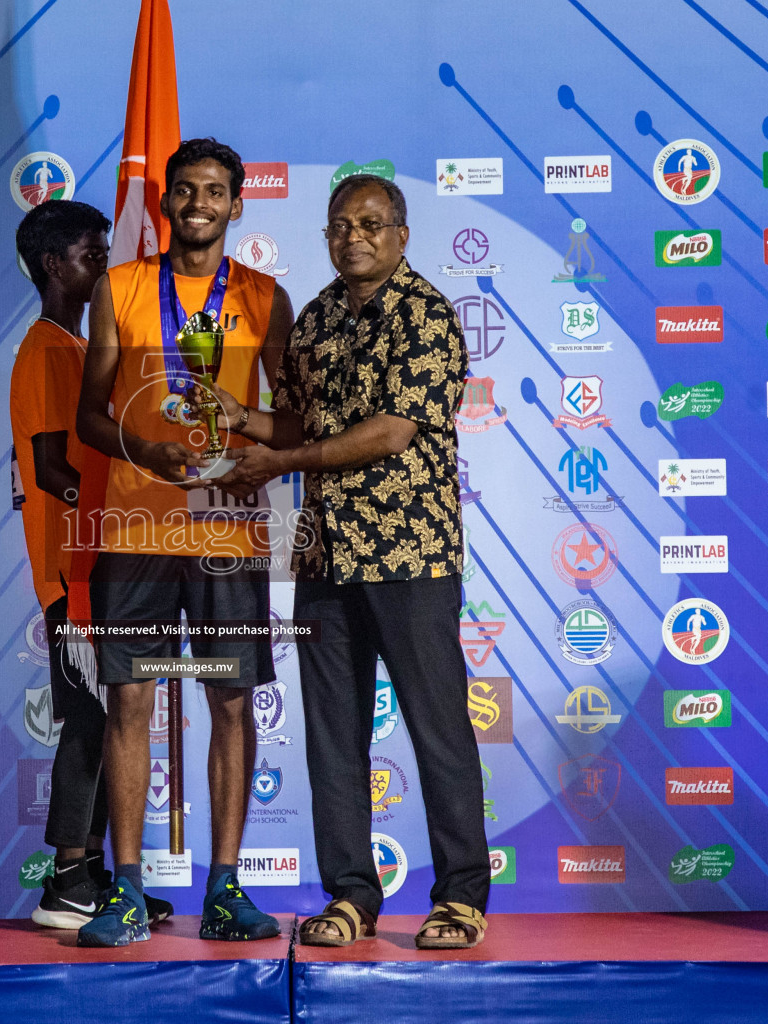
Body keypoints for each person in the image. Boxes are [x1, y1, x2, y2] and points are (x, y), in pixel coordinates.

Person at [203, 175, 489, 949]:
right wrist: (246, 421)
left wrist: (282, 458)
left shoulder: (426, 315)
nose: (353, 235)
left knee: (439, 731)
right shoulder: (319, 315)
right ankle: (352, 897)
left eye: (370, 222)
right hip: (327, 553)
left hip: (412, 555)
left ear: (400, 233)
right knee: (333, 734)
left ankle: (459, 897)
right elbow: (299, 414)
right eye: (339, 224)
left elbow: (390, 432)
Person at [74, 138, 293, 947]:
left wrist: (243, 435)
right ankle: (126, 890)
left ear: (237, 205)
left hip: (226, 533)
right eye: (184, 190)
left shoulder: (267, 298)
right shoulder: (120, 288)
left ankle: (226, 888)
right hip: (136, 527)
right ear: (164, 202)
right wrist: (148, 451)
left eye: (214, 191)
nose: (197, 203)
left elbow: (297, 421)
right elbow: (91, 417)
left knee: (230, 705)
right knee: (130, 700)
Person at [10, 199, 173, 931]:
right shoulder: (45, 349)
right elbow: (50, 469)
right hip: (72, 572)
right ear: (53, 265)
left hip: (104, 562)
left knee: (113, 716)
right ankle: (67, 877)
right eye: (92, 255)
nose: (106, 265)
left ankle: (100, 872)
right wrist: (117, 513)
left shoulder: (78, 349)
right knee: (88, 717)